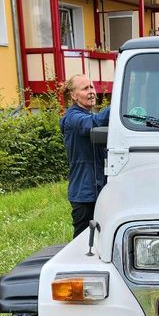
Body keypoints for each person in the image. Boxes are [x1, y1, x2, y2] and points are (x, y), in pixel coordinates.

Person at [59, 74, 111, 237]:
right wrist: (119, 104)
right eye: (85, 88)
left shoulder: (87, 114)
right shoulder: (72, 117)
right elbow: (93, 124)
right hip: (85, 194)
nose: (91, 92)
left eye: (92, 87)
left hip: (99, 189)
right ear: (73, 95)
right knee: (82, 243)